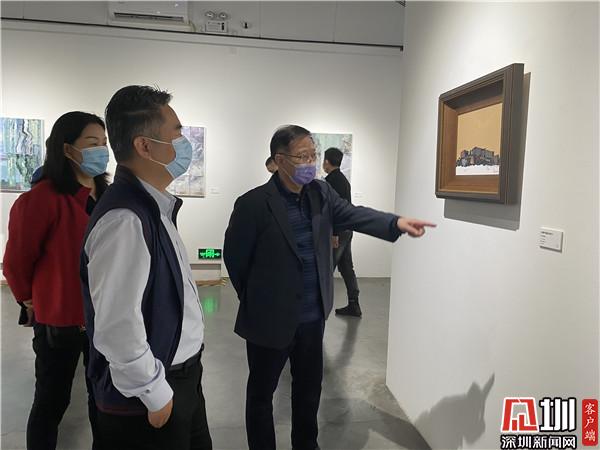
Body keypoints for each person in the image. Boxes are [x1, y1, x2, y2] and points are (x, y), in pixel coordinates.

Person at [224, 125, 435, 450]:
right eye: (302, 156)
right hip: (270, 321)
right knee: (261, 396)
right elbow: (236, 259)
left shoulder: (320, 193)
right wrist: (258, 300)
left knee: (309, 392)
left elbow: (353, 214)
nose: (310, 162)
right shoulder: (253, 204)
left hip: (312, 317)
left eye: (314, 155)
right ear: (279, 160)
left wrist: (394, 223)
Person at [80, 85, 212, 450]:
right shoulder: (125, 218)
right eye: (177, 133)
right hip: (148, 396)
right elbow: (117, 324)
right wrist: (154, 393)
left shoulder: (152, 206)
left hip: (180, 379)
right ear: (144, 146)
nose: (184, 143)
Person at [3, 111, 110, 450]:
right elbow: (17, 260)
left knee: (105, 400)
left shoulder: (109, 196)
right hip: (61, 319)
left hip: (107, 317)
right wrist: (28, 299)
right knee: (52, 399)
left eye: (104, 143)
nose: (101, 150)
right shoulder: (42, 199)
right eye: (92, 143)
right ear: (67, 149)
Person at [322, 147, 361, 317]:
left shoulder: (331, 181)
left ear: (326, 162)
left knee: (326, 268)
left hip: (338, 232)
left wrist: (334, 234)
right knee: (346, 267)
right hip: (347, 229)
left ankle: (320, 307)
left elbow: (335, 210)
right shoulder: (343, 180)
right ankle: (354, 304)